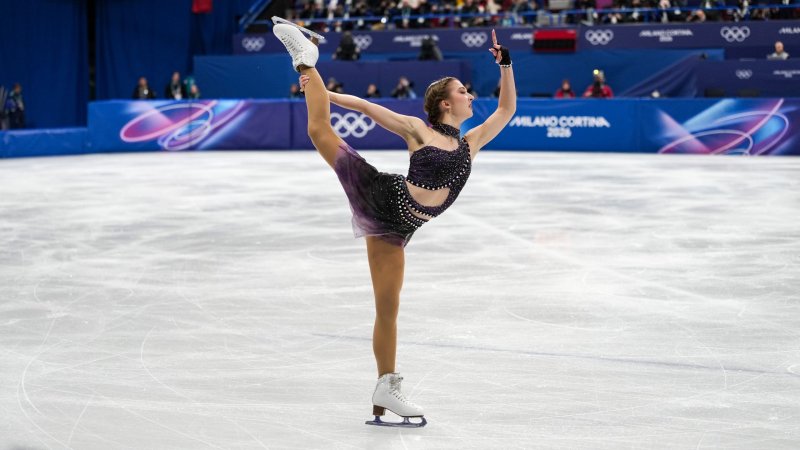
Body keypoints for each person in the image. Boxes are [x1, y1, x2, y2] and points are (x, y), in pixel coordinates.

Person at [273, 20, 516, 427]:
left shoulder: (470, 143)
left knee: (388, 308)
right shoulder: (418, 130)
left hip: (401, 227)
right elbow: (368, 107)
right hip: (383, 197)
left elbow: (507, 109)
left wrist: (506, 66)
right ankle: (305, 62)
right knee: (319, 129)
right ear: (444, 103)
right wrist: (321, 89)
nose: (470, 95)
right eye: (462, 91)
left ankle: (386, 386)